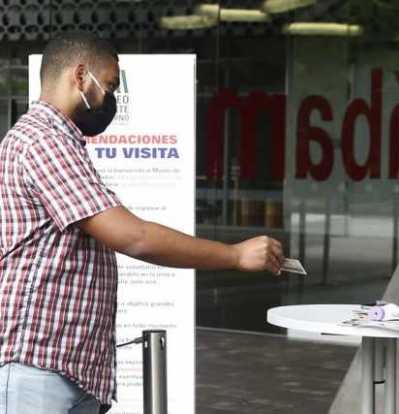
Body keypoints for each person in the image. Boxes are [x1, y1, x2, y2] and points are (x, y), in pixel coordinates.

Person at [0, 31, 284, 414]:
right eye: (111, 85)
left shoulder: (61, 143)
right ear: (80, 76)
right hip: (38, 371)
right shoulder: (43, 142)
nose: (111, 99)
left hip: (66, 371)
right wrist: (234, 255)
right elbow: (134, 237)